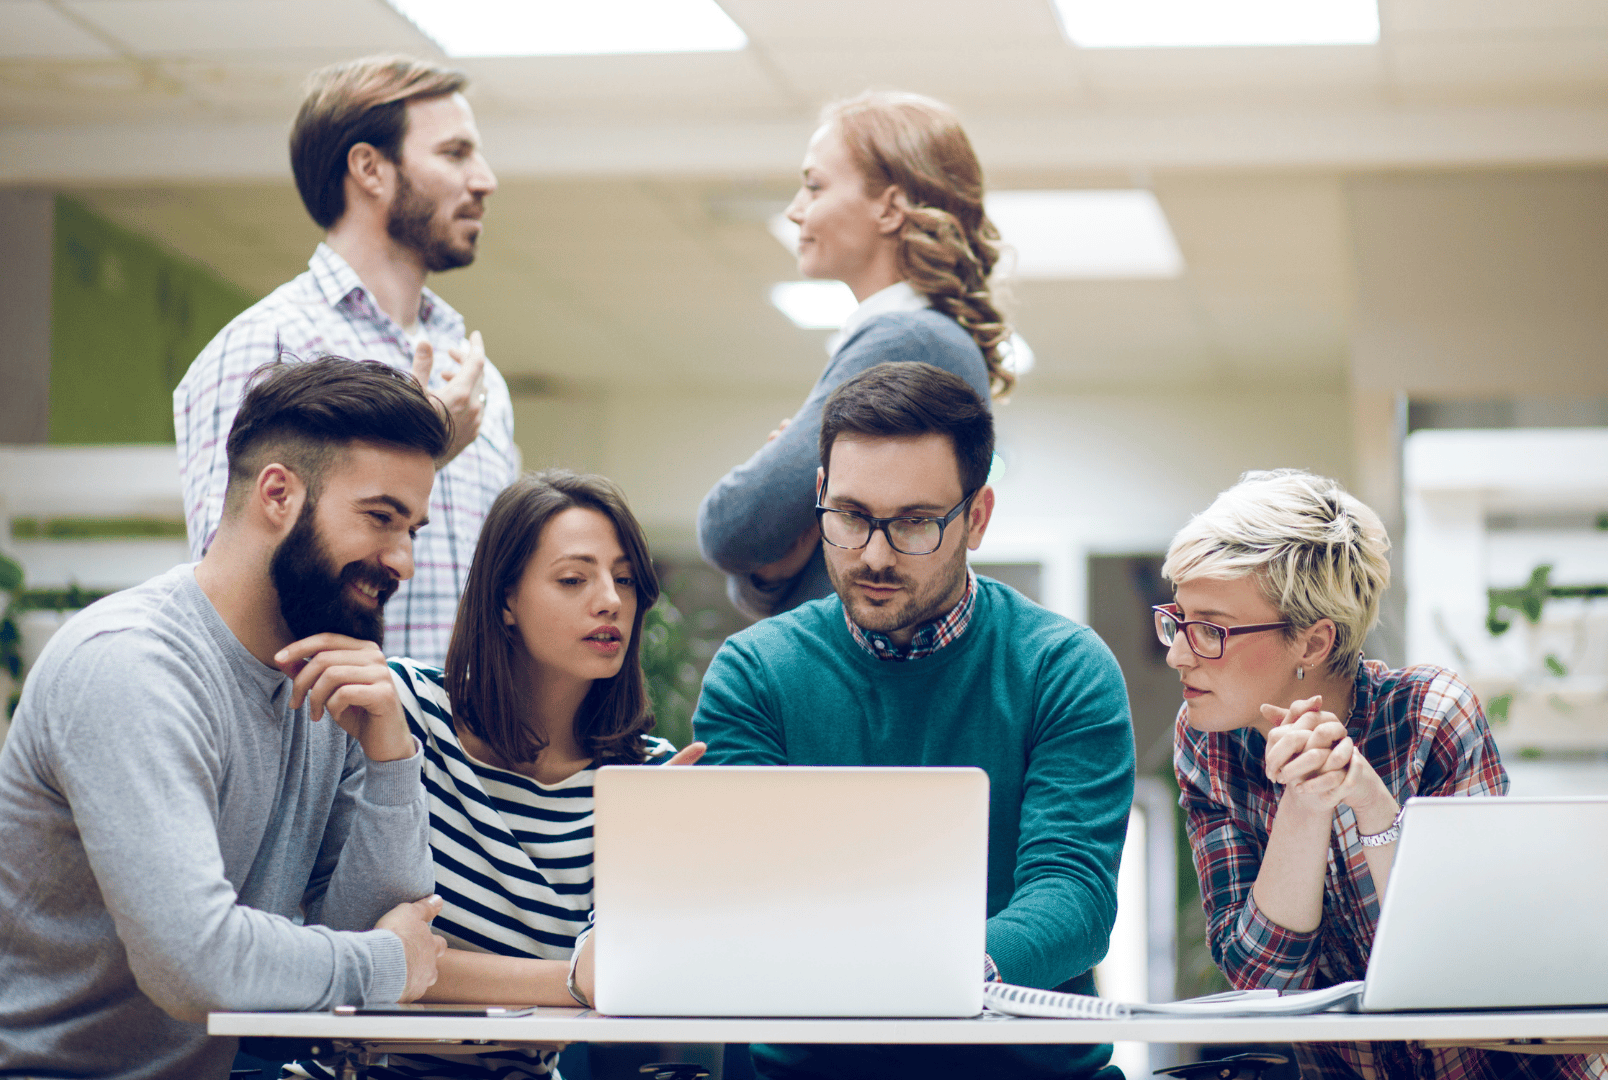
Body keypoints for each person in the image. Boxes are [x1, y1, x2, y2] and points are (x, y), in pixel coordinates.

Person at [0, 357, 451, 1079]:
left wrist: (394, 758)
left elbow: (369, 934)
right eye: (379, 518)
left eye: (414, 530)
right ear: (278, 493)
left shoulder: (330, 672)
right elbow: (197, 964)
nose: (402, 559)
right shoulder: (134, 668)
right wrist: (387, 962)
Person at [693, 361, 1135, 1080]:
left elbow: (1073, 895)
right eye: (850, 516)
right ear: (819, 497)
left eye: (914, 524)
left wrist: (942, 975)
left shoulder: (1062, 667)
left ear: (978, 518)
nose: (874, 554)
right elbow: (751, 898)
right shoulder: (756, 673)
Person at [1162, 469, 1608, 1080]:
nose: (1177, 652)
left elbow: (1469, 963)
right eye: (1178, 618)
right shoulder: (1207, 744)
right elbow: (1265, 986)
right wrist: (1307, 801)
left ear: (1313, 642)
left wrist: (1373, 807)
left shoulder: (1431, 714)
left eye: (1211, 629)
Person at [286, 469, 705, 1080]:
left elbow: (634, 977)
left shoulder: (650, 774)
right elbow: (346, 944)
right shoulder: (401, 710)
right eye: (573, 578)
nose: (610, 600)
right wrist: (575, 980)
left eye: (624, 580)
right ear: (505, 598)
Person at [174, 53, 517, 665]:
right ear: (370, 169)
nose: (484, 179)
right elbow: (230, 594)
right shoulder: (269, 345)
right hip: (333, 748)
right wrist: (426, 441)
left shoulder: (475, 374)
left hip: (462, 754)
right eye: (455, 154)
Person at [697, 90, 1013, 621]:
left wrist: (780, 523)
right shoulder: (913, 336)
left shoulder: (906, 341)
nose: (796, 211)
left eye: (814, 186)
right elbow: (760, 559)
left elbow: (731, 527)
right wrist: (773, 565)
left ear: (889, 207)